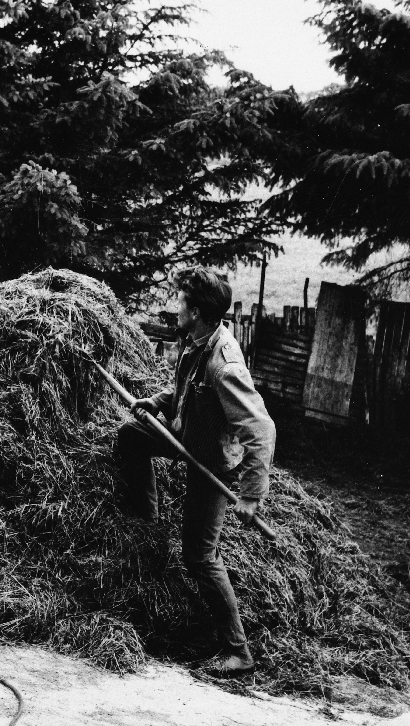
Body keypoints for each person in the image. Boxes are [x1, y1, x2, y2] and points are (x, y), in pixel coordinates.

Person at [117, 266, 275, 678]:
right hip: (186, 440)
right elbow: (187, 389)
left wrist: (252, 495)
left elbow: (261, 429)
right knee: (131, 435)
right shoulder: (195, 342)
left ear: (199, 311)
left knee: (200, 556)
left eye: (180, 300)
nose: (173, 306)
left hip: (212, 466)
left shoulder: (225, 364)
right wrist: (159, 400)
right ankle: (147, 522)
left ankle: (237, 650)